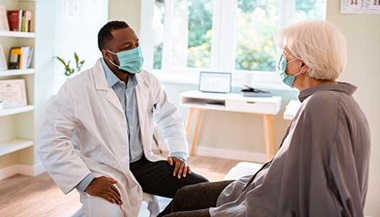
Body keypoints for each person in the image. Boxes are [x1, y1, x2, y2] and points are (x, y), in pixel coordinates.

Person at [161, 20, 371, 217]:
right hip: (265, 188)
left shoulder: (322, 106)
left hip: (270, 205)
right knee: (185, 195)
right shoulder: (328, 100)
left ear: (303, 65)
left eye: (286, 55)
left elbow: (317, 194)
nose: (282, 61)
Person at [37, 20, 208, 217]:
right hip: (103, 168)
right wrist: (87, 181)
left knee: (201, 192)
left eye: (137, 45)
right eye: (127, 47)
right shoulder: (77, 88)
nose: (135, 51)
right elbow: (49, 140)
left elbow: (169, 116)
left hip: (144, 164)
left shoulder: (147, 81)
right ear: (107, 54)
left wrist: (178, 152)